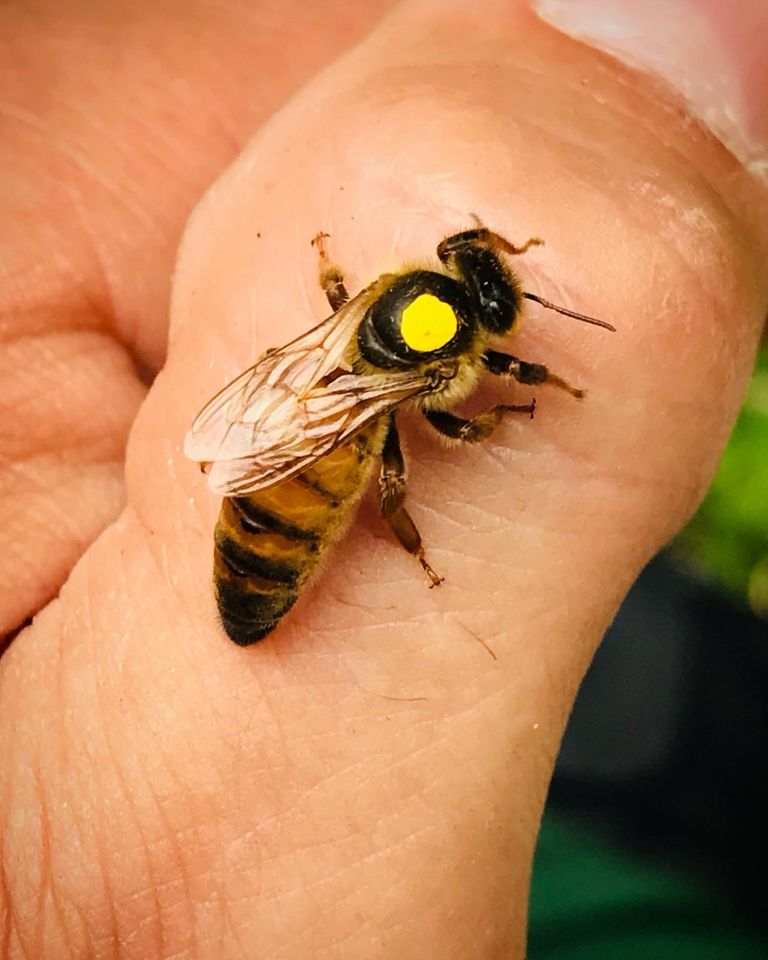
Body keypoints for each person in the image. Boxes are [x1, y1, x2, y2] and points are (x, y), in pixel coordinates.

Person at [1, 0, 766, 956]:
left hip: (291, 423)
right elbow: (464, 422)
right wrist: (530, 394)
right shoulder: (451, 365)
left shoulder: (373, 308)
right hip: (301, 492)